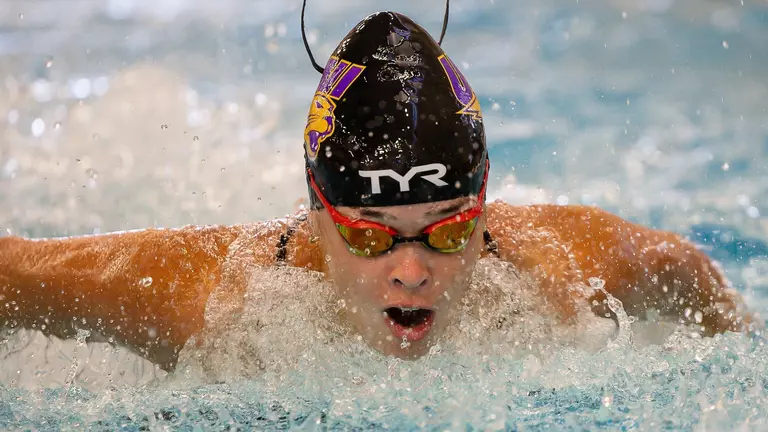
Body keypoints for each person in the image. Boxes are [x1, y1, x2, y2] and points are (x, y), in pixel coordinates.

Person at [0, 9, 756, 373]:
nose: (412, 269)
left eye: (449, 228)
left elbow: (693, 274)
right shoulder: (212, 306)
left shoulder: (559, 275)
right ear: (315, 210)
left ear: (483, 204)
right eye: (368, 233)